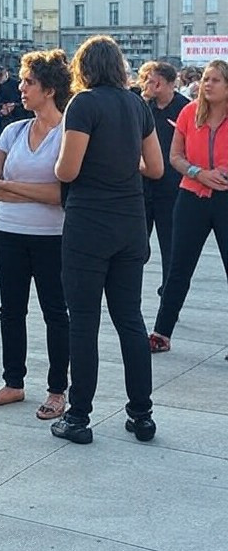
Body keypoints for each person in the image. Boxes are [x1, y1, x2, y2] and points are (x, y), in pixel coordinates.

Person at [52, 35, 163, 445]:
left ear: (84, 67)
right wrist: (122, 161)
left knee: (83, 322)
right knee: (130, 319)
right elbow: (155, 167)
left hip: (89, 225)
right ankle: (141, 414)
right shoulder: (138, 105)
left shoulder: (83, 104)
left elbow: (67, 170)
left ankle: (79, 417)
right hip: (130, 223)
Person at [0, 50, 71, 420]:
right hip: (8, 232)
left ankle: (57, 390)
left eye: (28, 82)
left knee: (55, 313)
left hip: (53, 236)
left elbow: (63, 195)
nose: (20, 88)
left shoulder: (69, 132)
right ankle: (13, 382)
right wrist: (25, 189)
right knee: (11, 312)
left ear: (48, 89)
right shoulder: (13, 130)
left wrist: (13, 186)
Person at [149, 60, 228, 353]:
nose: (207, 84)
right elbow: (175, 157)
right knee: (178, 268)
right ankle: (161, 333)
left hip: (225, 196)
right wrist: (199, 173)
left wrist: (221, 173)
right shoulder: (188, 112)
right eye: (206, 78)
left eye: (216, 80)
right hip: (191, 196)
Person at [139, 62, 189, 296]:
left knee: (170, 242)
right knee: (137, 241)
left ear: (170, 83)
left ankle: (168, 291)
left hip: (172, 186)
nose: (151, 85)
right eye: (149, 80)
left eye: (155, 81)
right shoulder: (142, 105)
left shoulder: (185, 108)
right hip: (142, 183)